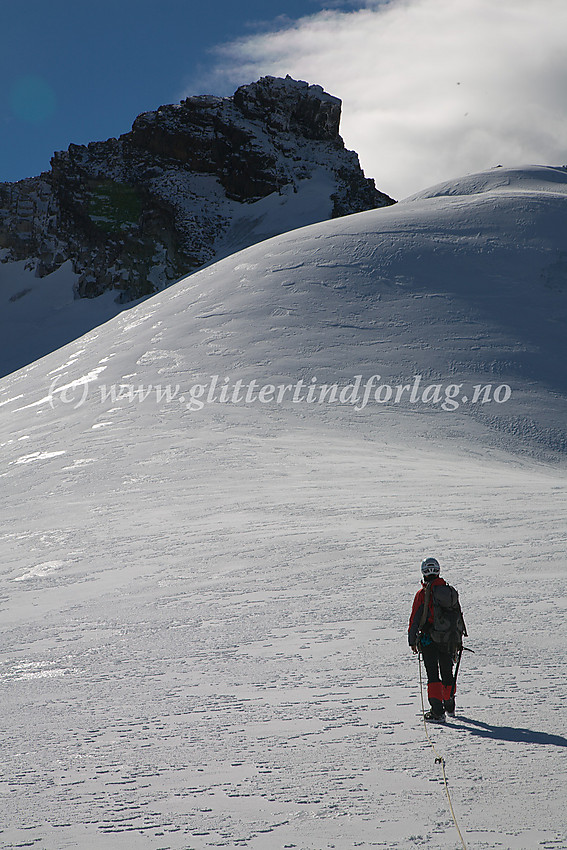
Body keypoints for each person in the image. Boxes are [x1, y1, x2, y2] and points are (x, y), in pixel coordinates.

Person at [408, 557, 467, 722]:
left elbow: (414, 619)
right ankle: (450, 705)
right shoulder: (448, 592)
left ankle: (437, 711)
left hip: (429, 640)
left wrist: (412, 641)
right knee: (447, 672)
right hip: (449, 639)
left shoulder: (423, 594)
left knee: (433, 674)